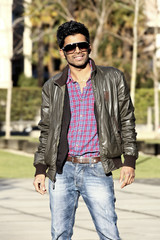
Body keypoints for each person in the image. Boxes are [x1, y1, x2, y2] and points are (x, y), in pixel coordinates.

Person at [33, 20, 138, 240]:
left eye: (81, 45)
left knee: (109, 233)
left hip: (98, 168)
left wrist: (129, 161)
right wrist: (40, 169)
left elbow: (127, 120)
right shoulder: (52, 86)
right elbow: (46, 131)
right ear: (63, 52)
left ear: (89, 46)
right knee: (60, 234)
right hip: (62, 170)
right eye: (70, 47)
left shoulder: (113, 78)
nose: (77, 51)